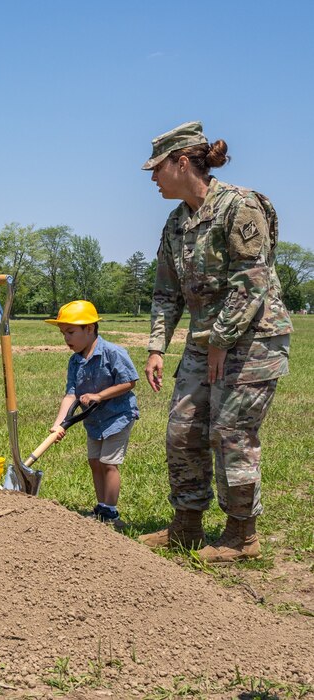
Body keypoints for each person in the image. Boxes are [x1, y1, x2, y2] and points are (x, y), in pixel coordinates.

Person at [139, 121, 292, 563]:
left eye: (157, 168)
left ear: (181, 162)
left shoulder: (240, 206)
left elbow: (252, 281)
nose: (153, 178)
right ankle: (186, 526)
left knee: (230, 433)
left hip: (254, 340)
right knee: (182, 430)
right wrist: (155, 347)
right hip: (207, 341)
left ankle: (242, 536)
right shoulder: (176, 222)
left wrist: (222, 339)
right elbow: (166, 291)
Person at [46, 300, 138, 529]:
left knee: (108, 463)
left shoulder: (113, 352)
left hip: (118, 417)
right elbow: (71, 394)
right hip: (94, 420)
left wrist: (100, 395)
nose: (66, 339)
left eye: (70, 332)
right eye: (63, 333)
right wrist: (59, 424)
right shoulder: (75, 360)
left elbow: (129, 382)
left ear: (89, 328)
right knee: (94, 462)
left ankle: (111, 513)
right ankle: (101, 507)